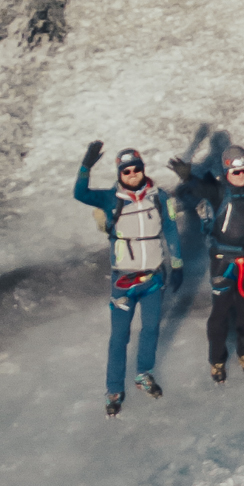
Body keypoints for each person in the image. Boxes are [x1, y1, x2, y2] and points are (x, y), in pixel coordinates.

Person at [74, 141, 182, 417]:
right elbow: (80, 193)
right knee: (119, 336)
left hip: (153, 279)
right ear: (120, 174)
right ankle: (113, 388)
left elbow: (170, 229)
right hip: (124, 281)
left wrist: (177, 264)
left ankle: (143, 374)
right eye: (127, 171)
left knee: (150, 330)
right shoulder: (111, 199)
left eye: (136, 169)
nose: (132, 174)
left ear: (143, 170)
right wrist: (86, 166)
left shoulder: (160, 198)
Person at [172, 145, 244, 382]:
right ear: (226, 172)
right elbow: (201, 188)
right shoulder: (218, 190)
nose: (241, 175)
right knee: (220, 312)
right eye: (235, 172)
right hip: (223, 260)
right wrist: (187, 176)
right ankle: (217, 360)